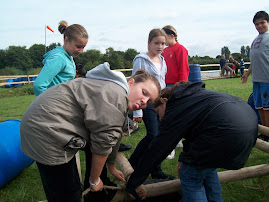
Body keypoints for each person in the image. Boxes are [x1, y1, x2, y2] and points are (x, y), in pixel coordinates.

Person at [20, 62, 161, 202]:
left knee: (68, 185)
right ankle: (90, 188)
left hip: (41, 122)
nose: (144, 101)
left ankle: (95, 188)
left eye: (148, 102)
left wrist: (111, 166)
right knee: (67, 195)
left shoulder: (115, 90)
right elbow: (102, 145)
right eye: (144, 93)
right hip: (46, 131)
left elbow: (114, 136)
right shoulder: (116, 97)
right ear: (130, 83)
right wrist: (94, 181)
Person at [126, 81, 258, 201]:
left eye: (158, 113)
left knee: (190, 175)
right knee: (206, 167)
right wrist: (184, 158)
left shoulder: (176, 106)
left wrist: (133, 182)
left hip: (227, 131)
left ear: (165, 101)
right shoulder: (192, 98)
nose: (160, 119)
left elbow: (159, 148)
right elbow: (196, 132)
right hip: (249, 125)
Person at [129, 28, 174, 180]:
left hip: (158, 101)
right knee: (153, 135)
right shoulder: (141, 59)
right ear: (149, 43)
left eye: (163, 43)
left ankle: (156, 171)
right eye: (156, 43)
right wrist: (137, 111)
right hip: (146, 102)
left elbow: (162, 81)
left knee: (157, 137)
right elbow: (135, 82)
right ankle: (133, 164)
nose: (160, 46)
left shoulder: (162, 60)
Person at [34, 20, 88, 96]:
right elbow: (39, 85)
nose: (81, 51)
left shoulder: (69, 57)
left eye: (83, 47)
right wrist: (50, 105)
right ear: (66, 40)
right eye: (78, 47)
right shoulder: (59, 58)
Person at [242, 11, 269, 133]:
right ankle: (265, 131)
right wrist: (247, 73)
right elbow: (254, 61)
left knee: (267, 108)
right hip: (256, 80)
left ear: (268, 22)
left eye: (262, 23)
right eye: (256, 24)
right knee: (260, 107)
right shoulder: (255, 40)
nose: (259, 26)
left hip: (267, 80)